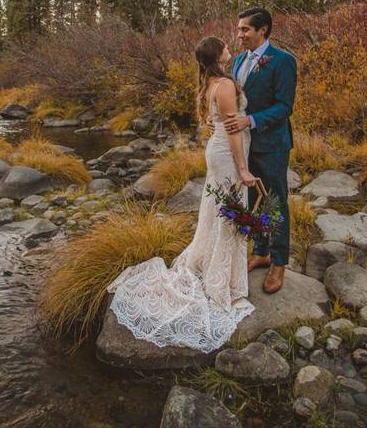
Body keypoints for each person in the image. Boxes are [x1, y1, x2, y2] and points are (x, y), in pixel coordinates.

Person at [105, 36, 257, 352]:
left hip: (215, 152)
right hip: (228, 156)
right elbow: (231, 131)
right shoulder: (226, 85)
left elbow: (213, 124)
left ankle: (217, 269)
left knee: (218, 210)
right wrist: (243, 169)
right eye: (225, 47)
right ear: (218, 55)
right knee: (228, 210)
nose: (230, 48)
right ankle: (222, 282)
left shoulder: (210, 83)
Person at [223, 7, 297, 294]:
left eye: (245, 30)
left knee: (275, 201)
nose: (239, 34)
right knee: (251, 199)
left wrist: (250, 121)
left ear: (263, 29)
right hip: (244, 146)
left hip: (272, 144)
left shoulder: (283, 61)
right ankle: (261, 251)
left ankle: (279, 262)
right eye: (239, 29)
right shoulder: (239, 61)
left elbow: (284, 106)